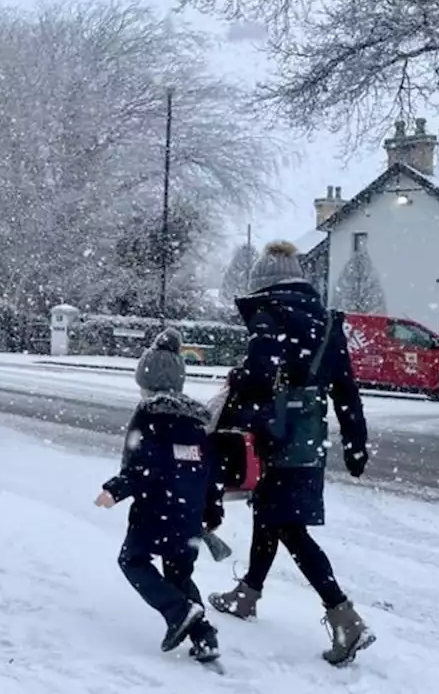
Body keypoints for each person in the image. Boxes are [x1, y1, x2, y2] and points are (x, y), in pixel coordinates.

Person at [206, 240, 376, 667]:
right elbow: (348, 393)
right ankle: (247, 594)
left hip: (273, 438)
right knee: (271, 515)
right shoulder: (328, 323)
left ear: (263, 284)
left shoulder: (269, 317)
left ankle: (344, 615)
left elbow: (261, 377)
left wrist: (240, 384)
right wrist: (356, 445)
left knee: (288, 528)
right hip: (308, 438)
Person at [95, 328, 225, 663]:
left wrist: (114, 489)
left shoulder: (148, 414)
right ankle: (204, 635)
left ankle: (178, 611)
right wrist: (211, 508)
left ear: (146, 382)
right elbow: (210, 470)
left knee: (132, 561)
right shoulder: (197, 422)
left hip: (156, 511)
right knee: (179, 574)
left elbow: (142, 466)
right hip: (189, 514)